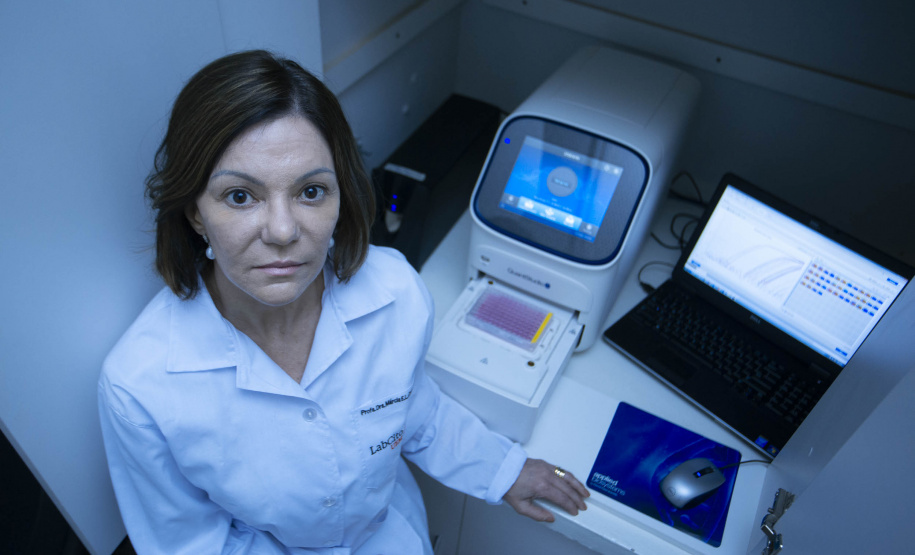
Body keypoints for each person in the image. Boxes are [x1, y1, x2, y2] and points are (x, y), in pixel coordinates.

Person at [98, 50, 589, 554]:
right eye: (241, 197)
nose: (284, 231)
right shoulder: (141, 386)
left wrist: (502, 469)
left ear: (340, 196)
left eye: (311, 191)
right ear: (195, 213)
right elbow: (187, 544)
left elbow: (416, 411)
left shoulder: (394, 292)